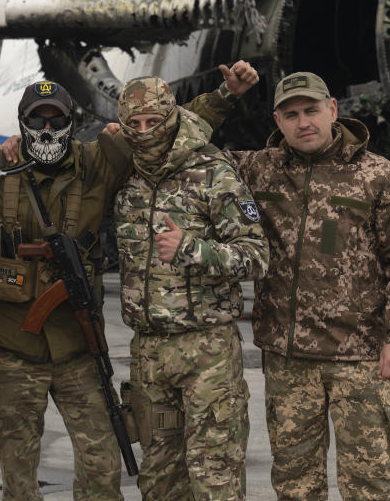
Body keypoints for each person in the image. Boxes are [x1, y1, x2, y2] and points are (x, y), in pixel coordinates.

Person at [0, 58, 252, 501]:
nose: (47, 127)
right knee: (19, 478)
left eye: (57, 119)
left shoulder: (100, 162)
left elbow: (159, 130)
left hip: (80, 350)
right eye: (38, 119)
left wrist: (224, 97)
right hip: (12, 352)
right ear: (22, 122)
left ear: (71, 123)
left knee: (102, 470)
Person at [229, 66, 390, 500]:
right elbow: (187, 152)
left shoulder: (378, 176)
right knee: (295, 485)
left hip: (359, 357)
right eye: (291, 114)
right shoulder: (256, 171)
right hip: (287, 359)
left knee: (368, 484)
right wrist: (222, 96)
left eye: (312, 110)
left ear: (333, 110)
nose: (304, 122)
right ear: (277, 122)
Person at [112, 77, 269, 500]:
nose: (145, 132)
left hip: (207, 352)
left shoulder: (212, 172)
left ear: (172, 117)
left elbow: (256, 255)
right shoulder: (126, 174)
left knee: (214, 477)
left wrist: (193, 250)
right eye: (135, 123)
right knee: (159, 480)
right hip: (148, 353)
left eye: (154, 121)